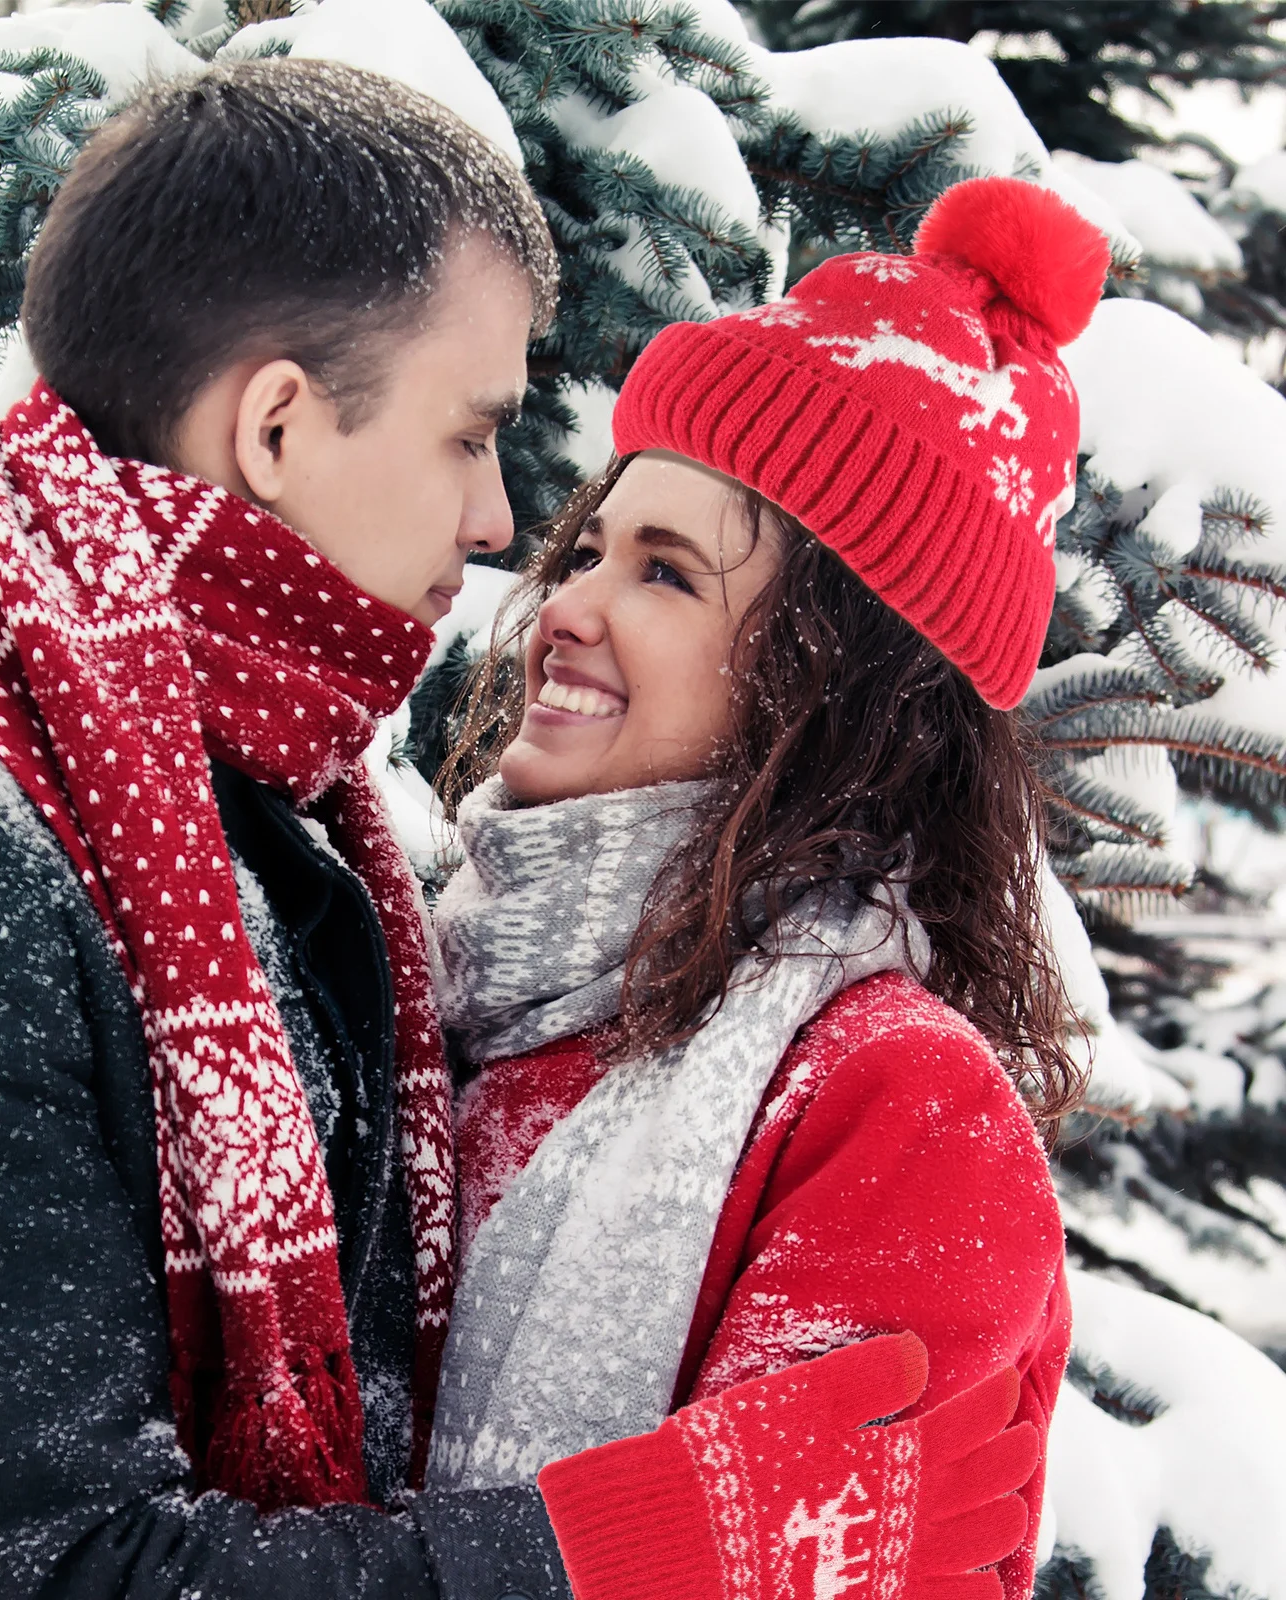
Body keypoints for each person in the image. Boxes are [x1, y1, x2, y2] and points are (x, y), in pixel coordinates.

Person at [0, 59, 1039, 1600]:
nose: (507, 533)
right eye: (471, 436)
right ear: (277, 428)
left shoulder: (287, 859)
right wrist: (627, 1545)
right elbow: (58, 1571)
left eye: (663, 568)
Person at [426, 175, 1108, 1600]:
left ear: (828, 683)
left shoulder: (897, 1106)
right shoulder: (440, 972)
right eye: (591, 548)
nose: (567, 607)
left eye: (667, 576)